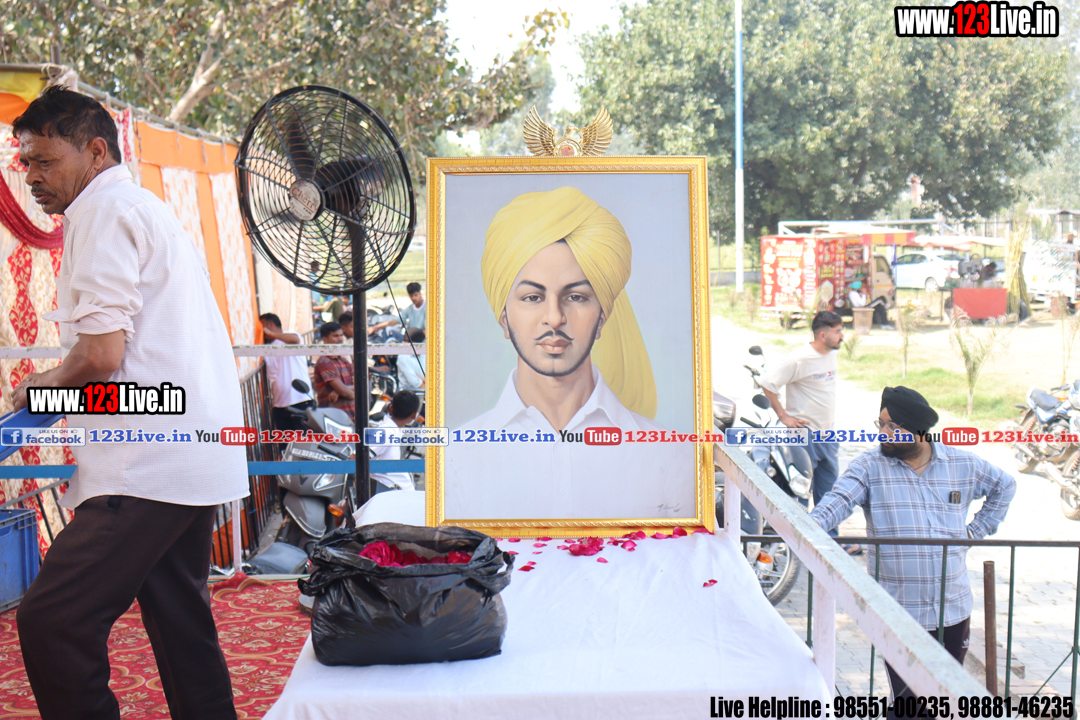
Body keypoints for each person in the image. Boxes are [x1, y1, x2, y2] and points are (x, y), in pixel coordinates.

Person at [9, 86, 247, 719]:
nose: (32, 177)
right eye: (26, 163)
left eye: (45, 161)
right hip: (188, 449)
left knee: (53, 619)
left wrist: (43, 385)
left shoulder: (103, 211)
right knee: (180, 618)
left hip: (147, 461)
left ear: (95, 151)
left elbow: (101, 354)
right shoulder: (140, 205)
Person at [445, 186, 694, 520]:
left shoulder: (669, 456)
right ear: (504, 319)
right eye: (532, 298)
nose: (554, 317)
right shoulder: (456, 458)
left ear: (601, 318)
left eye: (576, 297)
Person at [810, 387, 1016, 716]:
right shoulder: (869, 466)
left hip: (952, 608)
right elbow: (836, 502)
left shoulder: (961, 463)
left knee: (943, 701)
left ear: (918, 429)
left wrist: (973, 533)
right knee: (911, 705)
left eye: (892, 426)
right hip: (898, 612)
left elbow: (1005, 485)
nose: (883, 433)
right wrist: (805, 526)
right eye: (880, 424)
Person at [758, 311, 858, 552]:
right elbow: (768, 384)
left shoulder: (831, 354)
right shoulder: (799, 359)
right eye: (837, 331)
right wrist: (784, 416)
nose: (842, 336)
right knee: (801, 491)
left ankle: (829, 543)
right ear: (823, 335)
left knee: (829, 491)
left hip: (828, 435)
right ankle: (797, 546)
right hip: (804, 436)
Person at [260, 313, 314, 432]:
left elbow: (295, 339)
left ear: (270, 325)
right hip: (279, 405)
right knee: (285, 442)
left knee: (304, 440)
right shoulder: (267, 347)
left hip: (301, 400)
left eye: (262, 327)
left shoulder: (289, 336)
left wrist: (271, 334)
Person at [368, 390, 421, 493]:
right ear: (414, 415)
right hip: (390, 492)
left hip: (399, 491)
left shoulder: (394, 430)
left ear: (391, 408)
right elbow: (357, 457)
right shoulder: (385, 432)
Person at [313, 322, 355, 422]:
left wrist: (339, 391)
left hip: (351, 418)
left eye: (341, 335)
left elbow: (360, 385)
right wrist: (347, 392)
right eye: (335, 336)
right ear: (325, 340)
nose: (340, 339)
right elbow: (348, 393)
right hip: (333, 420)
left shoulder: (343, 361)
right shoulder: (324, 362)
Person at [397, 327, 426, 392]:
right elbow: (417, 384)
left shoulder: (425, 355)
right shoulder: (403, 357)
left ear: (418, 344)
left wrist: (420, 378)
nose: (403, 343)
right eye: (404, 340)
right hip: (409, 394)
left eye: (407, 341)